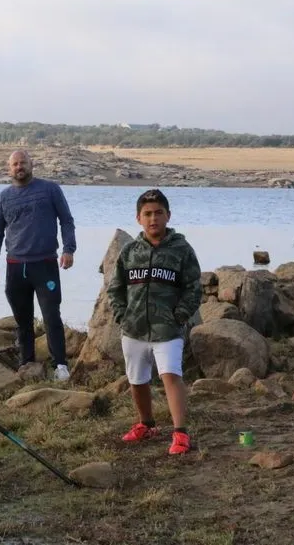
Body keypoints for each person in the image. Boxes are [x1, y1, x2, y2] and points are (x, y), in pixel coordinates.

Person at [107, 188, 202, 455]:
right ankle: (146, 424)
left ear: (168, 215)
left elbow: (194, 288)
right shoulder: (129, 251)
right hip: (134, 328)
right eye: (147, 214)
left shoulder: (182, 250)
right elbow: (115, 288)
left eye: (158, 213)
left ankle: (180, 433)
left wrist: (180, 315)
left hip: (167, 329)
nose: (153, 219)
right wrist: (122, 315)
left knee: (171, 375)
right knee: (137, 379)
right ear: (138, 218)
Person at [0, 150, 76, 381]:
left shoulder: (50, 189)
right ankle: (27, 364)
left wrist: (68, 249)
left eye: (23, 162)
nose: (19, 167)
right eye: (15, 164)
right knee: (22, 320)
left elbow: (66, 220)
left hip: (45, 264)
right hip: (16, 267)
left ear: (31, 164)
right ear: (9, 169)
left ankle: (60, 365)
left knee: (51, 316)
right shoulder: (3, 198)